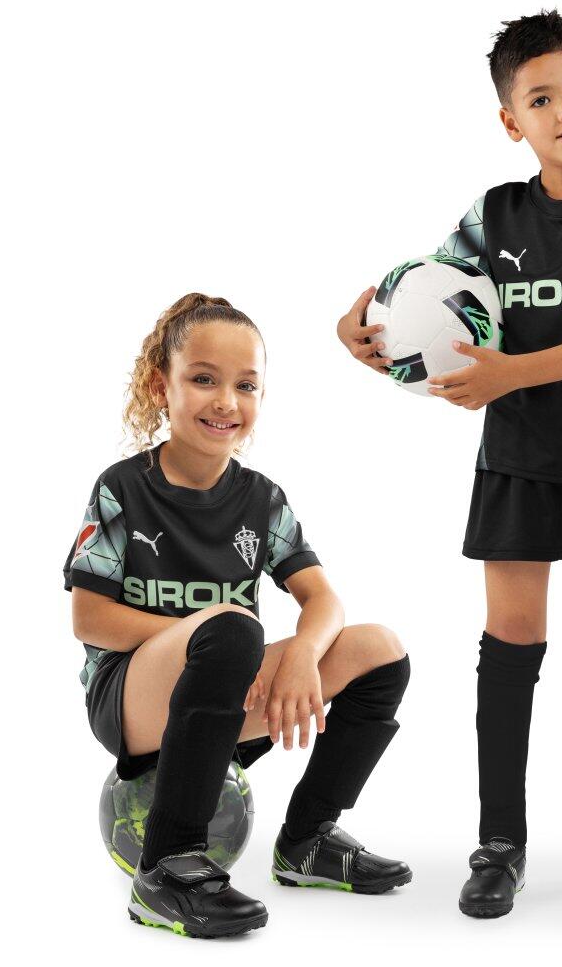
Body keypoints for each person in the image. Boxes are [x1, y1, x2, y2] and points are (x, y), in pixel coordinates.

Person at [337, 9, 562, 916]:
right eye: (541, 98)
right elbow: (422, 295)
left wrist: (509, 374)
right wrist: (361, 331)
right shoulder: (493, 216)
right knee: (510, 642)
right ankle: (499, 843)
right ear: (510, 121)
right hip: (516, 455)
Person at [65, 293, 411, 939]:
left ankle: (307, 839)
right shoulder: (123, 488)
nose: (226, 401)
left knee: (379, 650)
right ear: (160, 387)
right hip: (130, 699)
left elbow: (324, 600)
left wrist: (303, 652)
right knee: (230, 627)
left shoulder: (262, 499)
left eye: (245, 385)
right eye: (204, 379)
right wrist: (206, 635)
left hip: (226, 685)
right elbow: (89, 617)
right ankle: (164, 869)